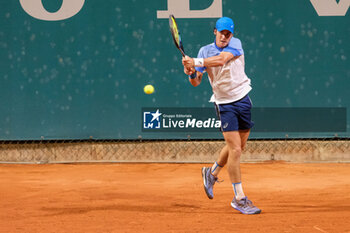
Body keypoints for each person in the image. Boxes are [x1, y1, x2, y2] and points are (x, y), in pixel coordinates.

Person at [182, 17, 261, 215]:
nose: (225, 36)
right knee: (235, 150)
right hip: (224, 104)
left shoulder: (235, 44)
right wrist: (191, 71)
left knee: (239, 147)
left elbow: (221, 60)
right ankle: (239, 198)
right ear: (214, 31)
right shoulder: (204, 50)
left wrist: (195, 61)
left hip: (242, 98)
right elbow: (196, 82)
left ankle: (212, 172)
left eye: (228, 33)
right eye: (222, 32)